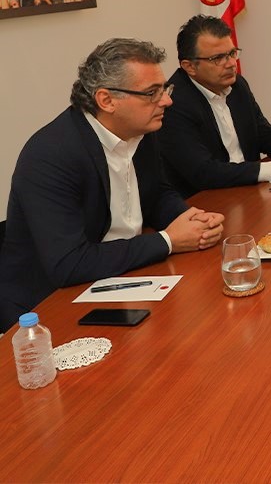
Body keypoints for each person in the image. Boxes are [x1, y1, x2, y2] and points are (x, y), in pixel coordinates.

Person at [0, 39, 225, 331]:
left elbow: (155, 194)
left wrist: (190, 219)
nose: (167, 101)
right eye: (152, 93)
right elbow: (68, 263)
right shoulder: (51, 155)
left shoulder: (140, 127)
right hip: (47, 309)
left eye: (164, 89)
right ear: (106, 100)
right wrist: (169, 240)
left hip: (119, 275)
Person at [158, 15, 271, 197]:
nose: (231, 64)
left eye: (232, 53)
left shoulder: (237, 85)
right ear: (190, 66)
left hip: (248, 190)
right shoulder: (173, 103)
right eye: (218, 58)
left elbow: (262, 132)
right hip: (206, 200)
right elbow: (203, 172)